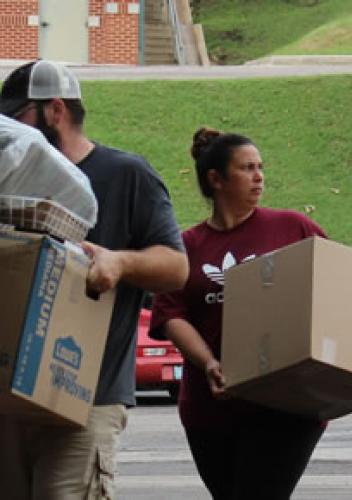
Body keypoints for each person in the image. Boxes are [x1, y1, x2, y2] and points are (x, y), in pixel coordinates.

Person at [0, 60, 189, 499]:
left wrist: (120, 263)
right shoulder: (11, 180)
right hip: (10, 399)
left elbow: (176, 268)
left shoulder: (126, 174)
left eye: (18, 115)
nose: (10, 128)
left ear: (56, 111)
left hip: (87, 395)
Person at [150, 127, 327, 500]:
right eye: (247, 168)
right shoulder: (186, 246)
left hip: (285, 405)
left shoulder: (293, 227)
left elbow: (341, 276)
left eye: (260, 167)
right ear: (216, 179)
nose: (259, 176)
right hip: (210, 410)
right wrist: (209, 362)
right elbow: (172, 315)